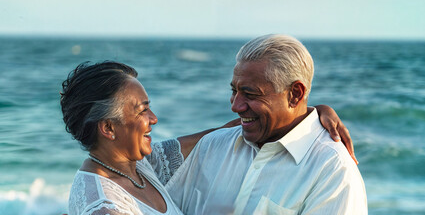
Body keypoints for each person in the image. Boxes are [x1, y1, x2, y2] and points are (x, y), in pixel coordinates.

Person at [61, 61, 355, 214]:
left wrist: (306, 111)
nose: (154, 119)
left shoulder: (143, 167)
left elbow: (231, 128)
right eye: (143, 110)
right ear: (109, 129)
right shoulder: (104, 206)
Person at [165, 34, 368, 214]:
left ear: (295, 94)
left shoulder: (332, 170)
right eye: (234, 91)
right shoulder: (211, 146)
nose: (236, 106)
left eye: (250, 94)